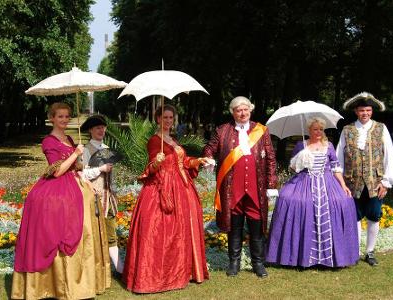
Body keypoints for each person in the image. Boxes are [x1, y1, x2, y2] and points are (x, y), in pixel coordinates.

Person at [11, 103, 111, 299]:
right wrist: (75, 153)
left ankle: (81, 279)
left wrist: (81, 170)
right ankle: (55, 282)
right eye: (60, 117)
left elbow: (74, 168)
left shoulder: (70, 138)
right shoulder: (48, 141)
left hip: (74, 182)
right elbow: (56, 171)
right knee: (63, 223)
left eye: (67, 117)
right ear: (52, 118)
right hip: (57, 188)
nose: (64, 120)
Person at [123, 104, 209, 293]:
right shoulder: (155, 141)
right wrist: (156, 162)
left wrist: (198, 161)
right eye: (165, 118)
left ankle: (183, 270)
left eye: (171, 118)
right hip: (162, 187)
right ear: (158, 119)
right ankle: (157, 276)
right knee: (161, 230)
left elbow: (183, 162)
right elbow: (152, 168)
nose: (168, 121)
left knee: (182, 230)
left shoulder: (173, 139)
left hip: (182, 187)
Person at [266, 117, 359, 268]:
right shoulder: (300, 145)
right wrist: (300, 159)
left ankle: (332, 257)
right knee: (291, 200)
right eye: (315, 129)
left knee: (341, 201)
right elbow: (292, 168)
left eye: (321, 129)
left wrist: (343, 186)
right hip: (304, 181)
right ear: (309, 130)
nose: (318, 132)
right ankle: (299, 256)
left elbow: (335, 167)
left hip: (327, 182)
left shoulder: (328, 146)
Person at [203, 96, 277, 277]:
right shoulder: (222, 131)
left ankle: (258, 263)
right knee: (234, 227)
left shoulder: (262, 130)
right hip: (232, 189)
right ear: (233, 112)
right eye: (238, 110)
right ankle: (234, 263)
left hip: (256, 189)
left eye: (245, 109)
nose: (242, 113)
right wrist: (208, 157)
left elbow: (271, 159)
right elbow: (209, 148)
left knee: (256, 227)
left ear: (250, 110)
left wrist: (271, 184)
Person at [336, 92, 393, 266]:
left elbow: (389, 155)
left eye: (368, 110)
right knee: (354, 216)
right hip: (351, 183)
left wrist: (386, 182)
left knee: (374, 216)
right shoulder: (347, 130)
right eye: (362, 110)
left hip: (375, 183)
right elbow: (338, 157)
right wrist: (340, 182)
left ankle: (370, 252)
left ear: (372, 111)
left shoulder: (381, 128)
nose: (365, 113)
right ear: (356, 111)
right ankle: (355, 251)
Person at [80, 114, 124, 276]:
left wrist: (113, 191)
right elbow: (81, 175)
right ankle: (94, 269)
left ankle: (119, 267)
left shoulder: (105, 148)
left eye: (103, 127)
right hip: (92, 197)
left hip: (108, 197)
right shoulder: (85, 150)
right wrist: (100, 169)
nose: (101, 130)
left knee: (111, 231)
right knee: (92, 233)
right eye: (97, 127)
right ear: (90, 130)